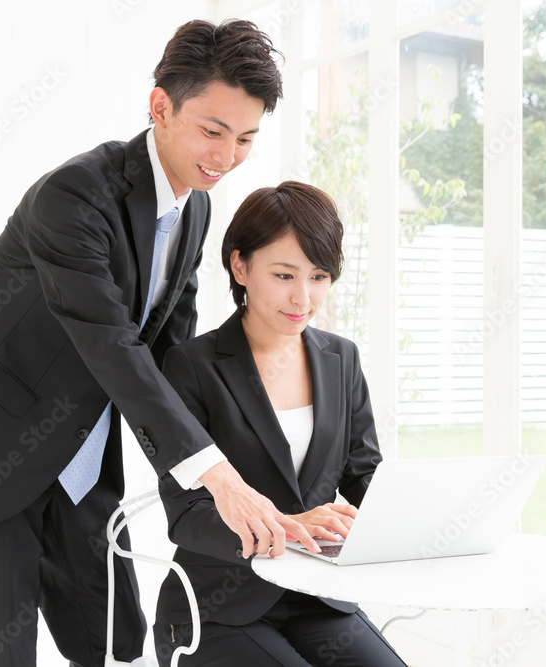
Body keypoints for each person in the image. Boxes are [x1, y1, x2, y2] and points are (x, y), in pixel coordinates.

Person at [0, 19, 317, 667]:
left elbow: (171, 361)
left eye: (245, 139)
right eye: (212, 130)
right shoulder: (75, 196)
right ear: (160, 107)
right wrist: (220, 478)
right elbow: (113, 345)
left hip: (82, 464)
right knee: (0, 656)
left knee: (112, 644)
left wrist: (257, 489)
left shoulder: (196, 208)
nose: (226, 156)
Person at [152, 182, 407, 666]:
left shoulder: (341, 359)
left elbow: (363, 474)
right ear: (240, 266)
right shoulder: (192, 365)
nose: (303, 298)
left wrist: (419, 519)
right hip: (220, 607)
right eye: (285, 275)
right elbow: (186, 514)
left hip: (319, 600)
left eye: (318, 276)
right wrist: (286, 528)